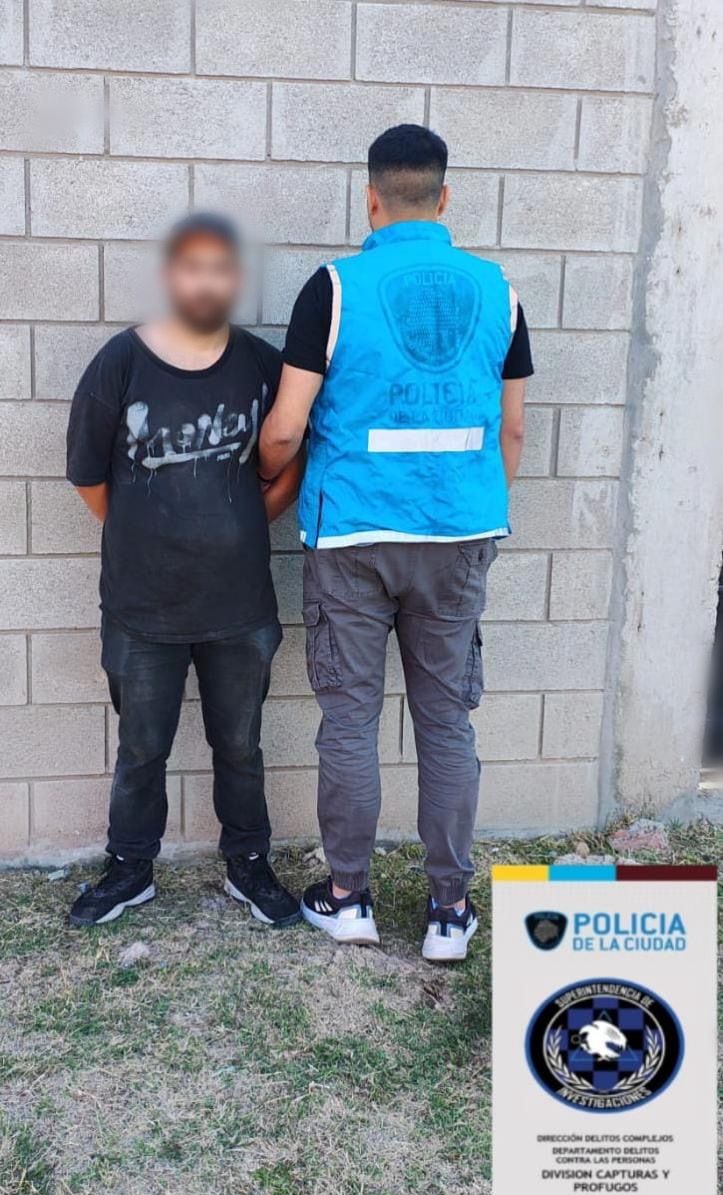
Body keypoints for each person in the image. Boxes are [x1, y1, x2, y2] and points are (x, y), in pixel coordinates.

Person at [259, 125, 534, 961]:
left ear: (369, 199)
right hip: (458, 537)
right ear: (443, 198)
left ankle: (348, 899)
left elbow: (285, 428)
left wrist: (263, 489)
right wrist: (468, 507)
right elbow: (512, 432)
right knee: (445, 722)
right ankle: (449, 911)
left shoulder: (334, 287)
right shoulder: (498, 290)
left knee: (349, 720)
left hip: (352, 535)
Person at [66, 213, 302, 929]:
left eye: (220, 269)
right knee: (141, 749)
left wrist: (242, 521)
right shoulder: (121, 362)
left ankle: (248, 864)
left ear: (236, 280)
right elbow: (88, 476)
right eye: (193, 267)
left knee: (240, 746)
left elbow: (295, 458)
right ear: (171, 276)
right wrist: (144, 534)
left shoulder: (263, 366)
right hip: (141, 608)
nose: (206, 282)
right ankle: (130, 869)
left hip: (239, 606)